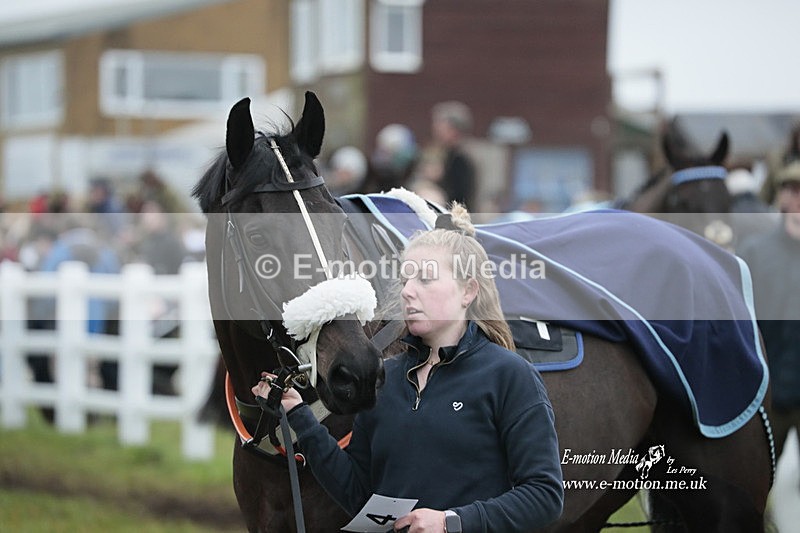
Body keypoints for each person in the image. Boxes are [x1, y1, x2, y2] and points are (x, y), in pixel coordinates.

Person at [252, 204, 564, 532]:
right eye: (405, 280)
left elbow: (544, 496)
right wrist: (300, 415)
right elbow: (358, 495)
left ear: (468, 291)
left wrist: (452, 523)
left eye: (425, 279)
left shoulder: (510, 376)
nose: (407, 291)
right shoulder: (384, 379)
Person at [738, 160, 800, 483]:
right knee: (753, 487)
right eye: (794, 192)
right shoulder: (754, 253)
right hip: (767, 396)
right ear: (782, 198)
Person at [426, 101, 477, 212]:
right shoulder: (449, 153)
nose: (435, 129)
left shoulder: (462, 157)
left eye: (440, 125)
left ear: (454, 130)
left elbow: (460, 197)